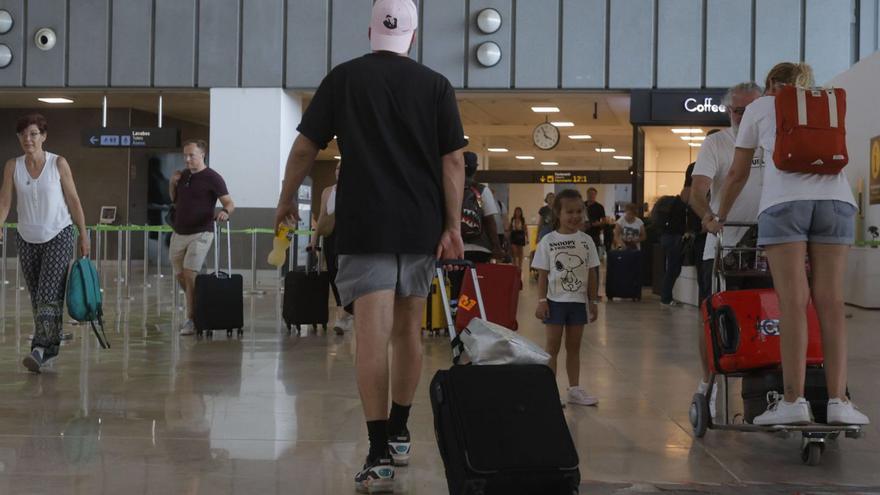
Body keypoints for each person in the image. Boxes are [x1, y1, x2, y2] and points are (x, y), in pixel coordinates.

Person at [272, 0, 467, 490]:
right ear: (414, 37)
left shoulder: (344, 79)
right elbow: (453, 164)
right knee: (408, 333)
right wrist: (451, 226)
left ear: (369, 31)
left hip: (365, 225)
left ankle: (378, 450)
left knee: (371, 337)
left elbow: (304, 147)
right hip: (419, 227)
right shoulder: (436, 86)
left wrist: (283, 199)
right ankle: (400, 430)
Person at [708, 62, 869, 426]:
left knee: (794, 302)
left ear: (770, 84)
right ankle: (838, 401)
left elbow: (737, 172)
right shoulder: (827, 103)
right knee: (830, 301)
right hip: (837, 202)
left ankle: (793, 400)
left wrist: (718, 215)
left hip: (784, 203)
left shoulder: (760, 107)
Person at [689, 82, 764, 413]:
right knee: (713, 317)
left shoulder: (773, 141)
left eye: (752, 110)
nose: (745, 116)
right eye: (738, 111)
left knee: (766, 318)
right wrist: (708, 216)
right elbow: (697, 190)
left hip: (767, 248)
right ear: (728, 111)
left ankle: (762, 387)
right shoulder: (717, 143)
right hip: (723, 246)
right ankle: (709, 382)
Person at [0, 114, 89, 373]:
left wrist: (83, 234)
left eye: (33, 134)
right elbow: (5, 201)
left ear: (43, 136)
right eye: (23, 135)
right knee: (39, 298)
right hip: (27, 237)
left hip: (59, 234)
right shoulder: (12, 166)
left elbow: (73, 200)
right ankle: (50, 347)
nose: (28, 139)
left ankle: (39, 348)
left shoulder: (58, 163)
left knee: (48, 294)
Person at [532, 189, 600, 406]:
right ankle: (549, 391)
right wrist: (542, 301)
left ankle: (574, 389)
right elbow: (542, 274)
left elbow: (591, 272)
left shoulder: (587, 241)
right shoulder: (548, 241)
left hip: (578, 303)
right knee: (552, 347)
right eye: (569, 212)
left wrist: (593, 300)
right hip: (554, 303)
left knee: (574, 347)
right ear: (557, 214)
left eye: (579, 211)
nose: (575, 216)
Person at [169, 139, 235, 336]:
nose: (187, 159)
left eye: (192, 156)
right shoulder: (183, 175)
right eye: (185, 156)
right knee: (181, 275)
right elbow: (174, 199)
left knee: (190, 274)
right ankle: (199, 304)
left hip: (202, 232)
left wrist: (225, 212)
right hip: (179, 231)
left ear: (202, 155)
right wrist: (172, 183)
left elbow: (230, 203)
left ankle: (191, 318)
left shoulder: (213, 177)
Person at [450, 152, 504, 299]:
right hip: (481, 248)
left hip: (455, 248)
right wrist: (496, 247)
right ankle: (473, 314)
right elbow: (490, 221)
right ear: (475, 169)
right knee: (476, 287)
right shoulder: (481, 190)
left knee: (456, 285)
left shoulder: (449, 187)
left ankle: (456, 314)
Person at [309, 160, 354, 335]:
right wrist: (314, 237)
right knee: (334, 274)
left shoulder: (354, 189)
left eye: (342, 169)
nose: (338, 172)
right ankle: (343, 309)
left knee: (346, 272)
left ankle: (346, 312)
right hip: (330, 235)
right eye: (337, 168)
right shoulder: (328, 191)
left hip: (348, 235)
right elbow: (321, 215)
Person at [509, 207, 527, 271]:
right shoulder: (512, 219)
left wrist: (526, 237)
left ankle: (520, 266)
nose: (518, 213)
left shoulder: (522, 219)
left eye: (519, 211)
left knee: (520, 252)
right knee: (514, 251)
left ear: (521, 212)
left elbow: (525, 229)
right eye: (516, 211)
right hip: (514, 235)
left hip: (520, 235)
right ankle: (514, 264)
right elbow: (510, 228)